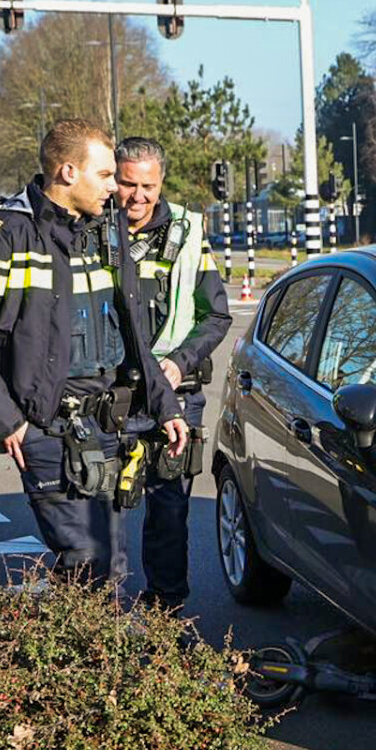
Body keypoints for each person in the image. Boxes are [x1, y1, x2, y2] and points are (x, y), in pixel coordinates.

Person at [0, 119, 189, 589]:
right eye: (106, 175)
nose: (118, 189)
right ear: (68, 172)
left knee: (106, 565)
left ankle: (81, 656)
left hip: (109, 428)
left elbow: (132, 333)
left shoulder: (107, 232)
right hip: (48, 430)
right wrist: (7, 420)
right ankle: (84, 656)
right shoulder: (5, 236)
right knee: (92, 559)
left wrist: (165, 404)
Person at [113, 136, 230, 611]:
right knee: (104, 512)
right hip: (113, 393)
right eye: (127, 184)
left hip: (176, 391)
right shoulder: (93, 229)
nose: (138, 196)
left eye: (148, 186)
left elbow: (216, 316)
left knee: (169, 509)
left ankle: (166, 610)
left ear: (161, 183)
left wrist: (179, 362)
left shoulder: (187, 232)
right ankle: (102, 616)